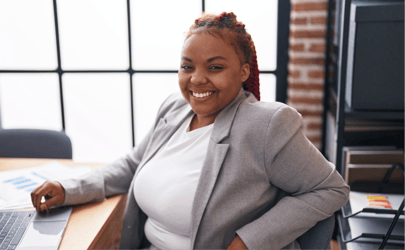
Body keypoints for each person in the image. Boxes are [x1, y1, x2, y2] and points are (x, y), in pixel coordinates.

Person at [31, 12, 349, 250]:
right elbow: (132, 165)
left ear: (243, 72)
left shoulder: (266, 125)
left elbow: (330, 190)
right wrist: (67, 188)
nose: (197, 79)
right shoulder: (174, 108)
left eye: (214, 67)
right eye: (187, 66)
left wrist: (247, 241)